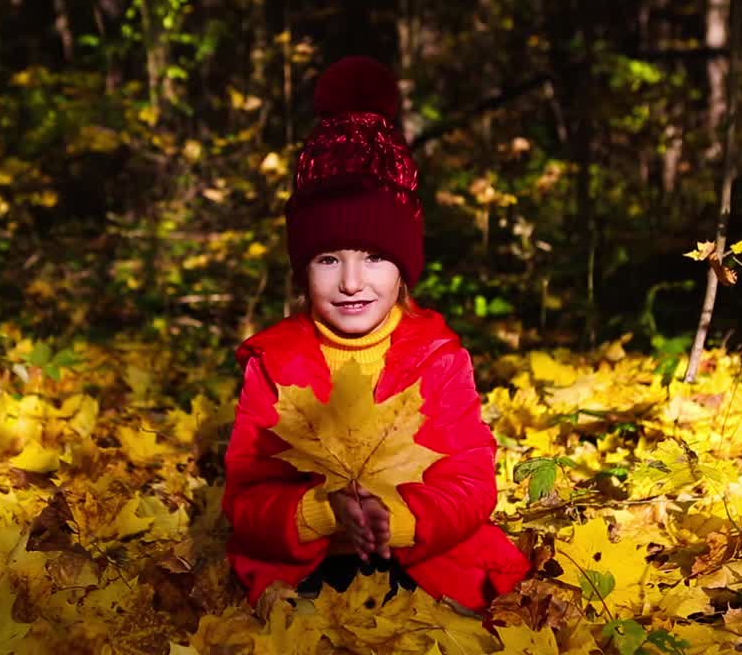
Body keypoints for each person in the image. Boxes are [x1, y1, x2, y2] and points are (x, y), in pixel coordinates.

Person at [221, 56, 531, 614]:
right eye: (327, 259)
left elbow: (471, 479)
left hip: (420, 557)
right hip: (309, 564)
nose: (351, 282)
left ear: (405, 267)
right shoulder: (274, 362)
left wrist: (406, 518)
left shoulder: (437, 357)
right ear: (302, 270)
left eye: (376, 257)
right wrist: (320, 511)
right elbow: (245, 497)